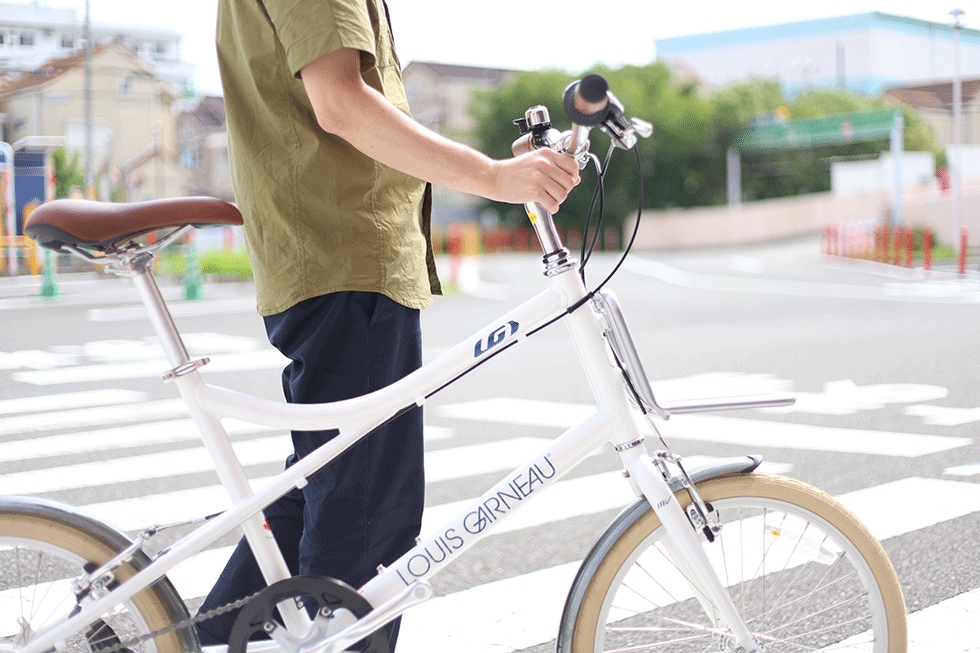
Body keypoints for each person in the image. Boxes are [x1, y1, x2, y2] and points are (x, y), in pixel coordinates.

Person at [194, 0, 580, 648]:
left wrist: (508, 172)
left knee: (330, 488)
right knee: (368, 529)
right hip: (345, 258)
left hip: (339, 260)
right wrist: (493, 176)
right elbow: (340, 104)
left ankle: (190, 640)